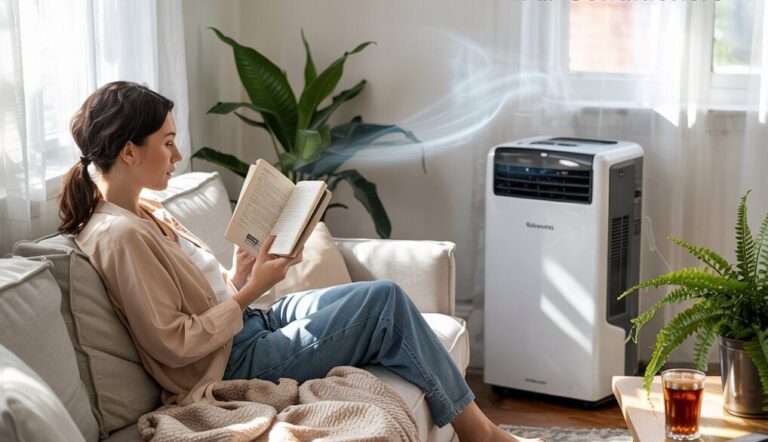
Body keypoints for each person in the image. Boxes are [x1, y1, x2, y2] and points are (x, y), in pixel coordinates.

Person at [58, 81, 537, 442]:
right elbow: (176, 343)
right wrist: (248, 290)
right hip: (229, 360)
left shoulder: (146, 209)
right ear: (128, 150)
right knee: (384, 303)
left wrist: (241, 273)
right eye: (166, 142)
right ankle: (483, 434)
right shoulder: (118, 236)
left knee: (378, 298)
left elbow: (198, 299)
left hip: (246, 323)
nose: (177, 155)